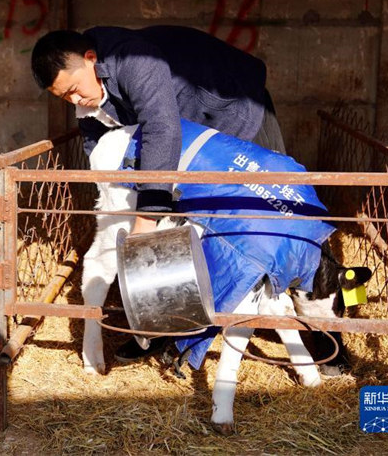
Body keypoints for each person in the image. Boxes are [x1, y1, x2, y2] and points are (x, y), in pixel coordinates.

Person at [31, 25, 286, 361]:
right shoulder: (90, 86)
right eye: (65, 97)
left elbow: (161, 128)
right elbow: (98, 141)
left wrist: (145, 216)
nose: (75, 101)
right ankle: (168, 331)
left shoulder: (132, 59)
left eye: (75, 90)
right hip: (189, 125)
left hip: (236, 110)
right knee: (181, 220)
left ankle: (326, 335)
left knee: (277, 213)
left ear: (90, 59)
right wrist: (112, 193)